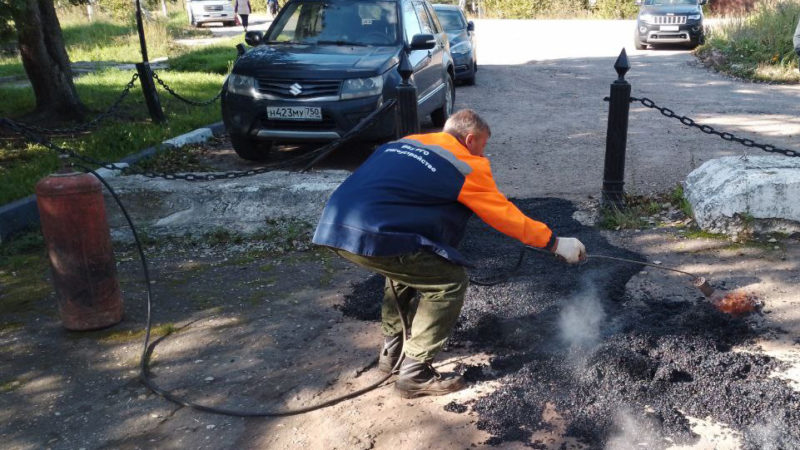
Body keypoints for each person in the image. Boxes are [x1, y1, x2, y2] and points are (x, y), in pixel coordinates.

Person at [312, 109, 587, 399]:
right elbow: (504, 215)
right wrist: (555, 243)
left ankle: (390, 354)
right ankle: (415, 374)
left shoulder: (407, 143)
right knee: (448, 282)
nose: (484, 154)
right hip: (375, 232)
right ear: (470, 139)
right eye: (483, 146)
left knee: (405, 268)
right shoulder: (464, 165)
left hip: (335, 226)